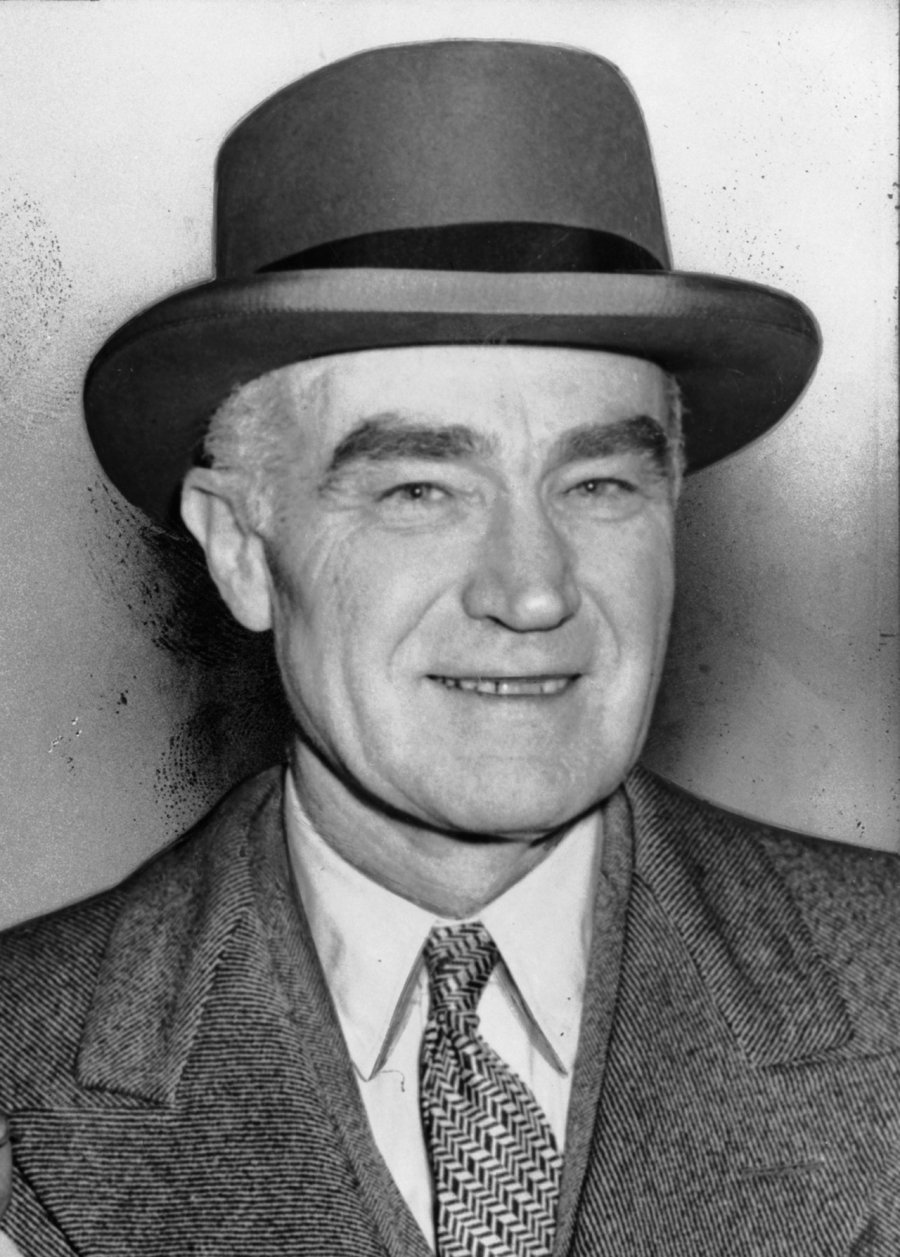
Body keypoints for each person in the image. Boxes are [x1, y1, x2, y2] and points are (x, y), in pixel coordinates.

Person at [0, 38, 897, 1257]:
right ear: (243, 550)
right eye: (419, 490)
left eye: (599, 484)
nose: (532, 592)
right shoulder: (28, 1077)